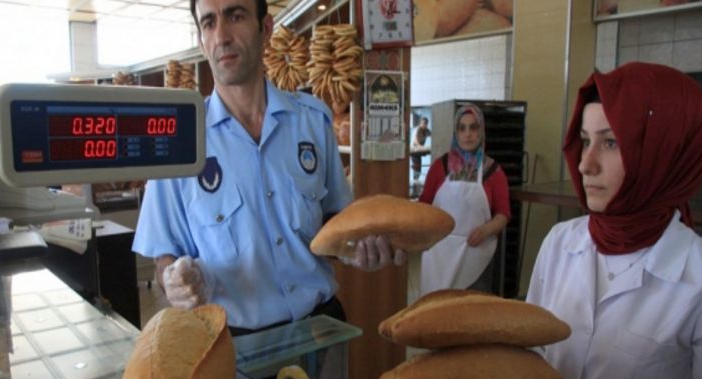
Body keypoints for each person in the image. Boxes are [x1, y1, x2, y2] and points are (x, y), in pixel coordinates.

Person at [132, 0, 405, 338]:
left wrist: (357, 249)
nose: (221, 36)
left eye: (235, 16)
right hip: (232, 343)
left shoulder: (312, 120)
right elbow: (164, 257)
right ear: (202, 41)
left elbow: (334, 226)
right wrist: (173, 282)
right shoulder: (177, 141)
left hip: (319, 330)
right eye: (208, 23)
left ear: (265, 29)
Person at [511, 62, 702, 379]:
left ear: (664, 152)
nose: (586, 164)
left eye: (611, 143)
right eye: (586, 141)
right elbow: (531, 363)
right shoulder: (560, 242)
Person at [418, 103, 510, 295]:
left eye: (473, 127)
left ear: (481, 131)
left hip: (475, 255)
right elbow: (423, 207)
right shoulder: (440, 167)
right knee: (433, 311)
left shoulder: (493, 171)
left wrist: (485, 230)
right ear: (456, 133)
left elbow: (503, 214)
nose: (467, 134)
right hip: (438, 256)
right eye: (462, 128)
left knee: (471, 314)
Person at [411, 116, 431, 186]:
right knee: (416, 167)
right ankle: (415, 183)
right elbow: (415, 140)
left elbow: (433, 135)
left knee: (419, 168)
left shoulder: (427, 131)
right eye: (422, 123)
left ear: (427, 124)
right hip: (414, 150)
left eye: (425, 124)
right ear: (421, 123)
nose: (424, 125)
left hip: (419, 151)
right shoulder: (418, 129)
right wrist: (421, 147)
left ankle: (416, 182)